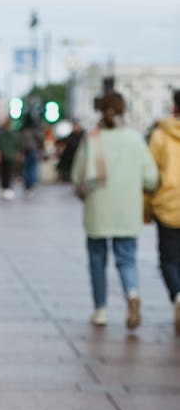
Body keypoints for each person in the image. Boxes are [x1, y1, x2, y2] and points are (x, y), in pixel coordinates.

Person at [71, 91, 159, 328]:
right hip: (127, 211)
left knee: (97, 260)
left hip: (98, 210)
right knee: (127, 259)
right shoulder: (135, 139)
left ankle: (100, 310)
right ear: (124, 110)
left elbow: (76, 175)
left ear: (101, 111)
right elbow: (151, 178)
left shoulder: (92, 137)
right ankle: (132, 294)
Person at [147, 89, 180, 334]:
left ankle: (177, 295)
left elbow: (149, 176)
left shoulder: (160, 135)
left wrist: (147, 207)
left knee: (168, 259)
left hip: (167, 205)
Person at [0, 116, 22, 199]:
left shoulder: (12, 135)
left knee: (8, 172)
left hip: (9, 156)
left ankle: (7, 187)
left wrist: (18, 154)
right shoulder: (2, 135)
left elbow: (18, 146)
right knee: (5, 172)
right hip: (5, 156)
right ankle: (5, 187)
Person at [20, 112, 44, 197]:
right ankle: (32, 185)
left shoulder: (23, 130)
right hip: (33, 150)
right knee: (33, 168)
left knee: (26, 169)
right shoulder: (35, 130)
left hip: (25, 151)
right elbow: (40, 140)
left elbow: (21, 142)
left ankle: (27, 186)